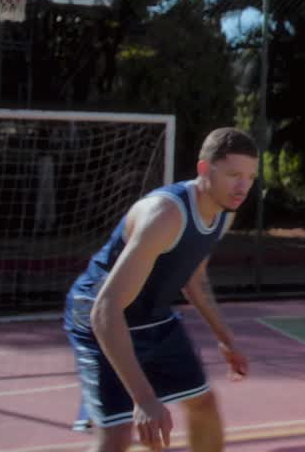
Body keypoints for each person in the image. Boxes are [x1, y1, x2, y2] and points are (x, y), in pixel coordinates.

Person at [63, 127, 259, 452]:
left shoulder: (224, 214)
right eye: (234, 174)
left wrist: (227, 339)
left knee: (203, 406)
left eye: (250, 177)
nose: (243, 187)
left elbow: (194, 278)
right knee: (117, 435)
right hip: (98, 314)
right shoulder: (166, 215)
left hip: (152, 315)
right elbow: (105, 310)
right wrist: (144, 399)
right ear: (204, 169)